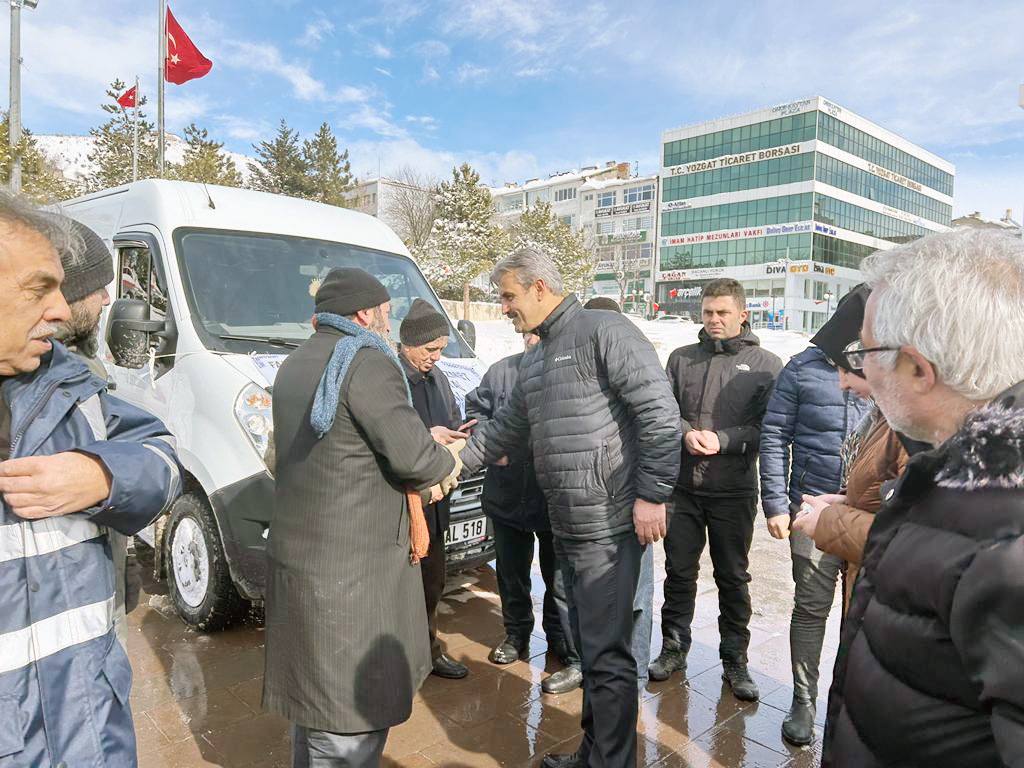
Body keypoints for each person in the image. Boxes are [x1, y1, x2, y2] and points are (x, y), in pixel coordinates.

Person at [458, 248, 681, 768]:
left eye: (509, 296)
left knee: (608, 655)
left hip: (609, 523)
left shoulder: (604, 330)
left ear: (540, 286)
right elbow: (500, 433)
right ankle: (594, 753)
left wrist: (652, 494)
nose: (505, 307)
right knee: (590, 650)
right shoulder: (536, 360)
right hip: (569, 527)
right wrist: (445, 468)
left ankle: (610, 762)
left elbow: (660, 415)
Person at [821, 229, 1024, 767]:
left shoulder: (1006, 544)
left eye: (862, 351)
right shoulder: (958, 476)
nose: (855, 371)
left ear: (917, 368)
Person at [0, 192, 183, 767]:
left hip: (87, 727)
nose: (101, 300)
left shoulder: (72, 383)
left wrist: (105, 476)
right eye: (39, 289)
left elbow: (161, 458)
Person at [264, 268, 463, 767]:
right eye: (386, 314)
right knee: (348, 721)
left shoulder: (294, 363)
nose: (388, 325)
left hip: (302, 564)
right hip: (353, 577)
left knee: (313, 712)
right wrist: (444, 457)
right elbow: (414, 460)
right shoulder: (366, 361)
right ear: (363, 314)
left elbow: (316, 448)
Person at [651, 278, 782, 701]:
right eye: (708, 312)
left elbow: (771, 429)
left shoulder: (766, 364)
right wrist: (686, 433)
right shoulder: (681, 359)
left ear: (742, 314)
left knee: (732, 576)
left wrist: (725, 441)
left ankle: (735, 660)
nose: (714, 320)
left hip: (734, 490)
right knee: (679, 572)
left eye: (723, 313)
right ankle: (673, 648)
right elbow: (663, 412)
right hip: (683, 489)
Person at [757, 287, 872, 745]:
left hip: (866, 511)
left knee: (860, 614)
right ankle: (803, 699)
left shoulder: (884, 370)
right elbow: (773, 436)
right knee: (809, 607)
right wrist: (776, 505)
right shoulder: (801, 370)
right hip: (810, 509)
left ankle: (849, 701)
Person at [464, 331, 583, 695]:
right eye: (528, 332)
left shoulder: (571, 373)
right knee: (512, 575)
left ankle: (559, 637)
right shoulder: (500, 372)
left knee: (558, 578)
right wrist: (491, 445)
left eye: (541, 330)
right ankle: (516, 634)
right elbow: (474, 414)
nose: (534, 337)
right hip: (507, 493)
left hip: (553, 500)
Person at [51, 218, 142, 653]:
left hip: (92, 592)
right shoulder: (43, 380)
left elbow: (149, 450)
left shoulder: (80, 370)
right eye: (97, 288)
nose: (109, 298)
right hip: (65, 619)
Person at [398, 298, 476, 680]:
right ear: (407, 344)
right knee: (400, 588)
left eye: (442, 350)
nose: (436, 358)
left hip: (437, 499)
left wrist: (459, 432)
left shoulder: (438, 378)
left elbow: (450, 420)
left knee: (433, 582)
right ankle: (399, 662)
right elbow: (389, 437)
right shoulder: (390, 378)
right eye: (430, 350)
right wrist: (426, 435)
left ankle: (429, 652)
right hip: (404, 501)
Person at [582, 295, 656, 689]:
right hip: (594, 508)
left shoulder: (638, 367)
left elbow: (658, 434)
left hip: (633, 504)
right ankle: (600, 672)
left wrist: (650, 498)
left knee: (638, 598)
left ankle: (636, 674)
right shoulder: (583, 373)